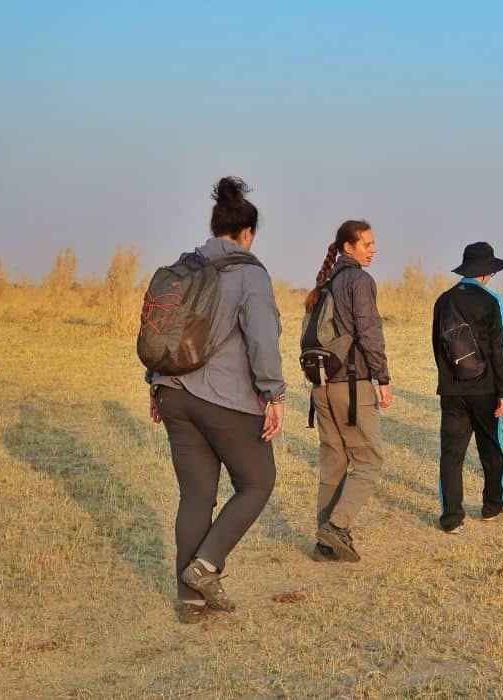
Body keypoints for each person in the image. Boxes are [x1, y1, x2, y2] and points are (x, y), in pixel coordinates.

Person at [147, 177, 285, 623]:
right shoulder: (250, 274)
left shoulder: (184, 268)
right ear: (247, 234)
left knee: (196, 495)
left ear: (213, 227)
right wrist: (274, 394)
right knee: (258, 481)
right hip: (223, 399)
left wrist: (156, 382)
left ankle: (190, 603)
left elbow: (163, 329)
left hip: (172, 393)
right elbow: (263, 340)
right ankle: (205, 567)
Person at [305, 220, 392, 562]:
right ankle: (337, 527)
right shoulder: (359, 280)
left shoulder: (325, 282)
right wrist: (382, 378)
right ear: (347, 248)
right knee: (370, 460)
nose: (373, 249)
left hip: (322, 387)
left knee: (334, 463)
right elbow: (369, 332)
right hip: (352, 386)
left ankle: (325, 544)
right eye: (367, 244)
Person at [432, 242, 503, 533]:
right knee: (491, 449)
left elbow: (437, 346)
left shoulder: (443, 301)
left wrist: (447, 378)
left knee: (451, 455)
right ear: (487, 272)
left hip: (452, 390)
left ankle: (451, 517)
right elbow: (499, 350)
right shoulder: (493, 302)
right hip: (486, 390)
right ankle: (493, 505)